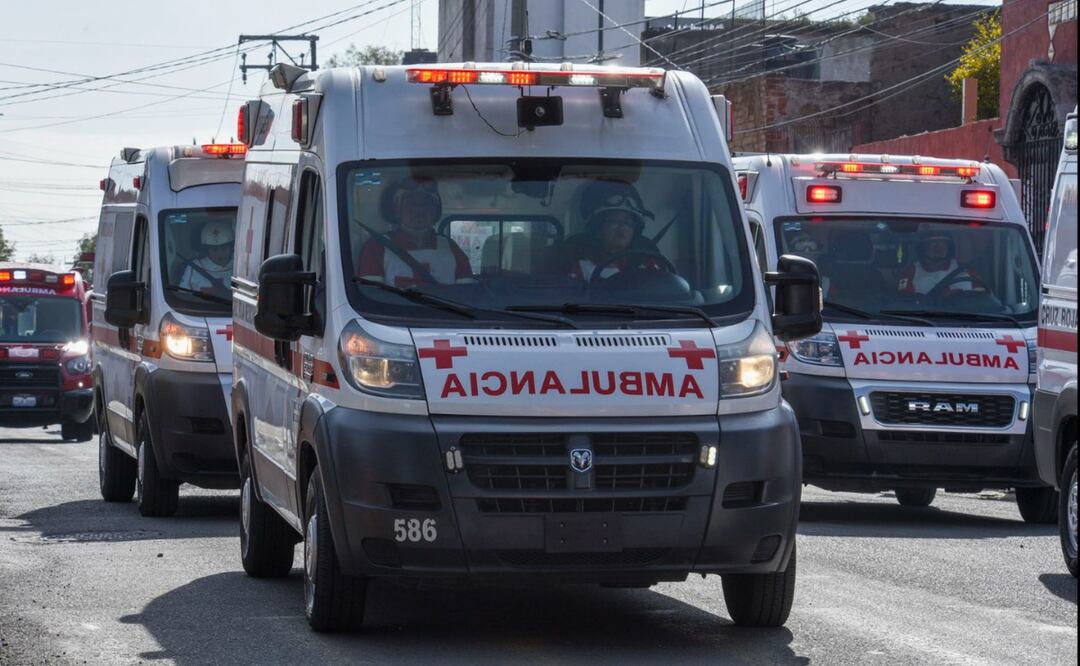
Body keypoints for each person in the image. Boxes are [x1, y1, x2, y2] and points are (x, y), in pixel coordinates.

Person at [357, 177, 472, 287]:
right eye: (411, 202)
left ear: (435, 210)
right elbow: (372, 296)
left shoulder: (451, 248)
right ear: (396, 209)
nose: (418, 210)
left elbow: (466, 295)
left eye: (426, 203)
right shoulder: (376, 248)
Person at [561, 179, 660, 280]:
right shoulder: (576, 263)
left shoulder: (647, 262)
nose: (621, 228)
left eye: (627, 223)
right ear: (598, 228)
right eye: (614, 222)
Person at [897, 232, 984, 295]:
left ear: (949, 247)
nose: (938, 247)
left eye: (943, 243)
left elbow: (981, 301)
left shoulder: (966, 270)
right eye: (932, 243)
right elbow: (906, 302)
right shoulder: (911, 272)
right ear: (922, 248)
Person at [179, 220, 234, 295]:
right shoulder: (194, 267)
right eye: (214, 249)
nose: (220, 253)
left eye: (224, 248)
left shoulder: (239, 266)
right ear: (207, 250)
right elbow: (183, 295)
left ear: (231, 248)